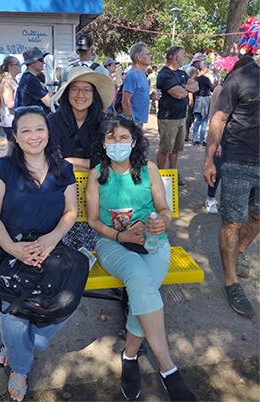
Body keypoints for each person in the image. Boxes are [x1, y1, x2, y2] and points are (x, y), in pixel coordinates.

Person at [86, 115, 196, 402]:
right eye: (111, 137)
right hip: (113, 243)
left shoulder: (148, 169)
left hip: (153, 240)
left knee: (142, 289)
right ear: (103, 142)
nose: (118, 142)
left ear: (134, 141)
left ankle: (130, 356)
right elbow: (93, 220)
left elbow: (163, 207)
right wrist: (121, 236)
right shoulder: (97, 173)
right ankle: (168, 370)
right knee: (139, 278)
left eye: (124, 137)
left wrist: (162, 220)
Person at [0, 106, 78, 401]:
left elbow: (71, 212)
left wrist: (51, 239)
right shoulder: (3, 169)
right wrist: (13, 248)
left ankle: (20, 345)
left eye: (40, 129)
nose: (34, 136)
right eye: (25, 130)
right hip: (6, 248)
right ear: (15, 135)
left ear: (48, 133)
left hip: (50, 247)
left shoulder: (63, 168)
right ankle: (20, 369)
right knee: (13, 307)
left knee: (66, 299)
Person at [203, 57, 260, 319]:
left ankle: (239, 250)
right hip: (239, 160)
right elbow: (219, 119)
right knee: (233, 222)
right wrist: (208, 160)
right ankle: (231, 283)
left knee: (257, 215)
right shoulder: (239, 78)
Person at [48, 66, 114, 250]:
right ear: (66, 92)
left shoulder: (104, 122)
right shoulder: (53, 121)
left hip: (99, 197)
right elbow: (53, 162)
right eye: (75, 89)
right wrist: (92, 165)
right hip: (61, 197)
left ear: (94, 94)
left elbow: (110, 163)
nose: (80, 95)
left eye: (87, 90)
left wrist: (70, 161)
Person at [204, 56, 254, 214]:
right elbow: (214, 116)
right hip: (222, 133)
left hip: (239, 136)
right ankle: (210, 197)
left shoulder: (249, 88)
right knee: (217, 169)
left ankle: (232, 201)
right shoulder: (221, 88)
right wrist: (215, 142)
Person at [156, 47, 198, 185]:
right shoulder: (164, 74)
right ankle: (160, 175)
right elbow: (177, 93)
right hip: (168, 117)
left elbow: (195, 86)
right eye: (183, 56)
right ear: (176, 58)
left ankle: (172, 174)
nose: (184, 58)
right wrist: (184, 88)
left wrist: (182, 87)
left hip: (181, 116)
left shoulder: (181, 73)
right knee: (165, 148)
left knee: (176, 149)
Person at [122, 43, 157, 125]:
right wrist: (131, 123)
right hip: (134, 122)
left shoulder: (142, 74)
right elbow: (125, 101)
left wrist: (150, 96)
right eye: (147, 54)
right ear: (139, 57)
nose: (150, 56)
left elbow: (136, 95)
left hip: (139, 121)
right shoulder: (132, 75)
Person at [0, 56, 21, 155]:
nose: (20, 67)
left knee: (13, 150)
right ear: (10, 67)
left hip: (14, 120)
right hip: (10, 121)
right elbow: (9, 103)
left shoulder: (14, 81)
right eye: (17, 64)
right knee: (12, 151)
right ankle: (6, 168)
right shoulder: (7, 82)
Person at [15, 47, 52, 114]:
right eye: (41, 60)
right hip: (34, 120)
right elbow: (48, 102)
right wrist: (54, 94)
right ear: (32, 62)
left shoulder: (31, 78)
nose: (43, 63)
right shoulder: (30, 80)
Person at [185, 52, 206, 142]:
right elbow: (189, 85)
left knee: (191, 116)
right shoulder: (191, 70)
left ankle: (185, 134)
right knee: (188, 116)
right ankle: (184, 135)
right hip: (190, 96)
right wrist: (191, 99)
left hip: (194, 96)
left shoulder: (193, 69)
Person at [192, 61, 213, 147]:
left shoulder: (195, 78)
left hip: (197, 99)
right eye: (207, 67)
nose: (208, 68)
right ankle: (201, 140)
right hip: (205, 99)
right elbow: (212, 88)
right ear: (203, 68)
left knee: (197, 120)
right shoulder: (205, 79)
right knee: (204, 120)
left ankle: (194, 139)